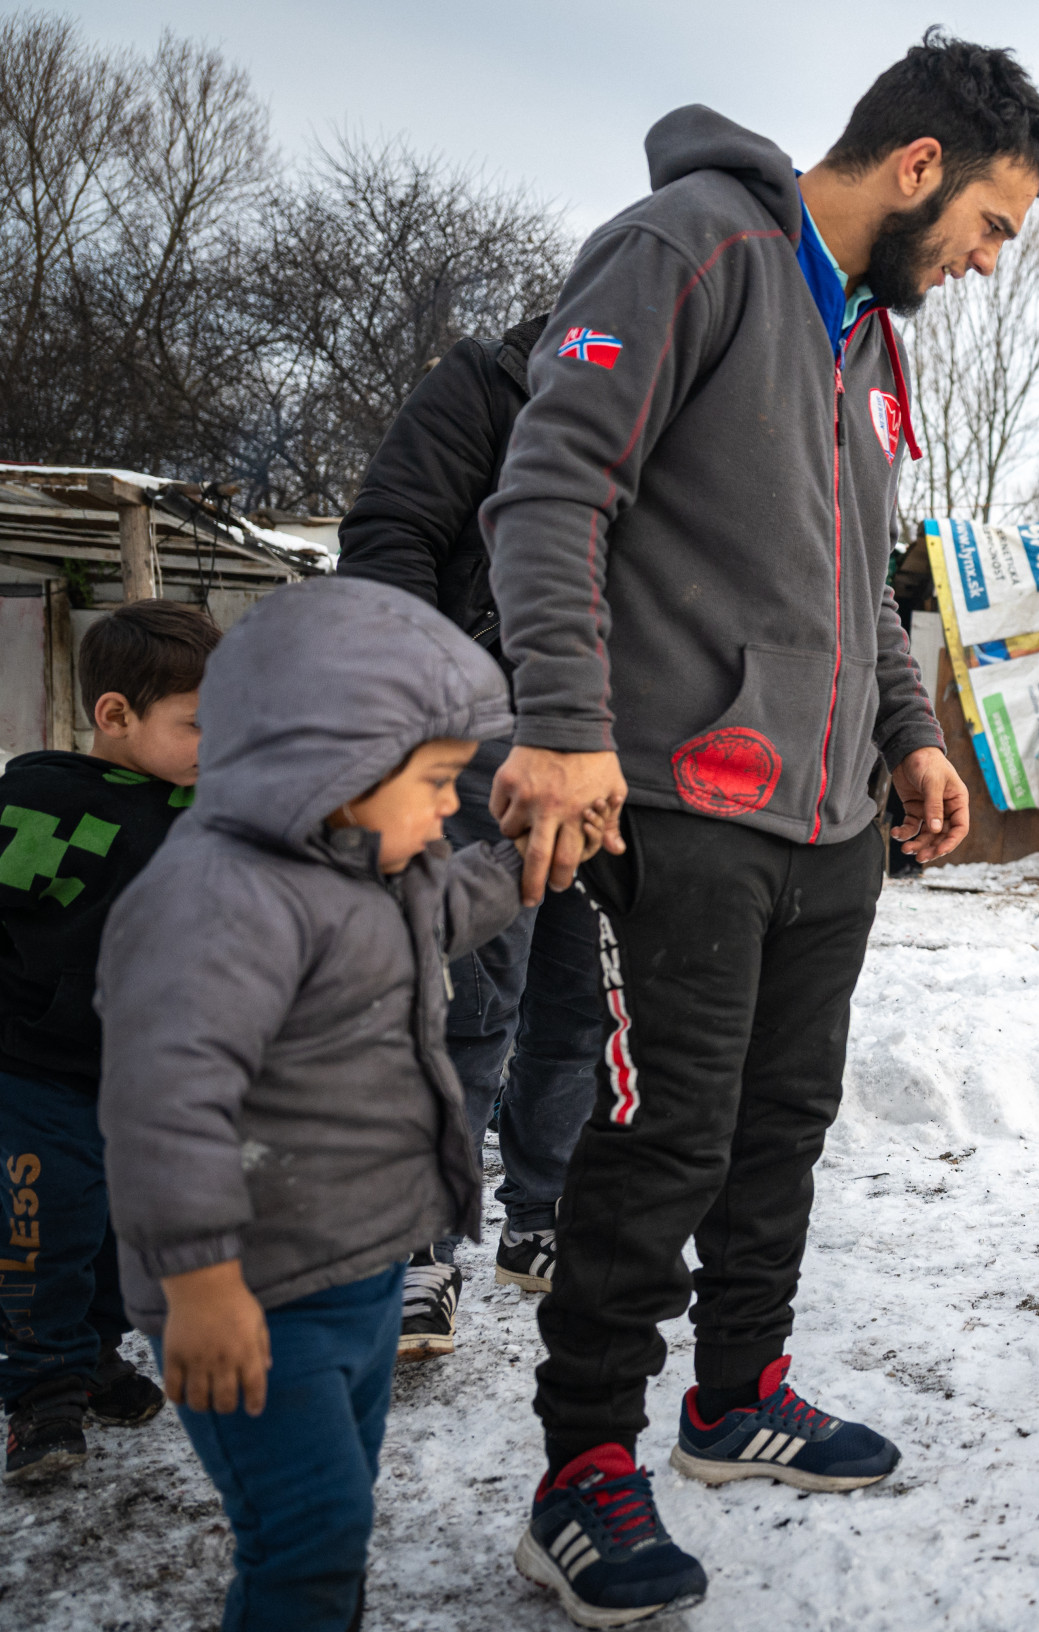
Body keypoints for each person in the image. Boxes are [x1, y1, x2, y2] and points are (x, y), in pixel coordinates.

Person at [480, 31, 1039, 1623]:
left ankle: (736, 1397)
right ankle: (584, 1472)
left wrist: (910, 737)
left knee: (780, 1128)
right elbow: (551, 490)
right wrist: (565, 727)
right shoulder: (693, 248)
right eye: (991, 224)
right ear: (920, 166)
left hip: (828, 825)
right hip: (679, 801)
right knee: (662, 1136)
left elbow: (862, 585)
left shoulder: (869, 345)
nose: (988, 261)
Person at [93, 577, 574, 1629]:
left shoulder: (371, 869)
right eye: (436, 780)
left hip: (362, 1268)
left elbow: (454, 903)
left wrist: (530, 855)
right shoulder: (213, 901)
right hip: (253, 1292)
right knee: (303, 1536)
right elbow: (164, 1108)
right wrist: (200, 1285)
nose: (448, 804)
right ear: (335, 764)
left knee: (338, 1518)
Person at [337, 309, 604, 1361]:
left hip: (610, 743)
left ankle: (541, 1214)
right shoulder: (492, 382)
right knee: (465, 994)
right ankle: (418, 1245)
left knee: (581, 998)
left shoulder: (685, 402)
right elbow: (391, 529)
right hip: (479, 728)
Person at [0, 600, 213, 1483]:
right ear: (115, 715)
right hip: (37, 1073)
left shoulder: (208, 812)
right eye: (198, 724)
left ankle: (89, 1351)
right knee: (44, 1231)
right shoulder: (38, 802)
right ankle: (41, 1392)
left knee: (127, 1238)